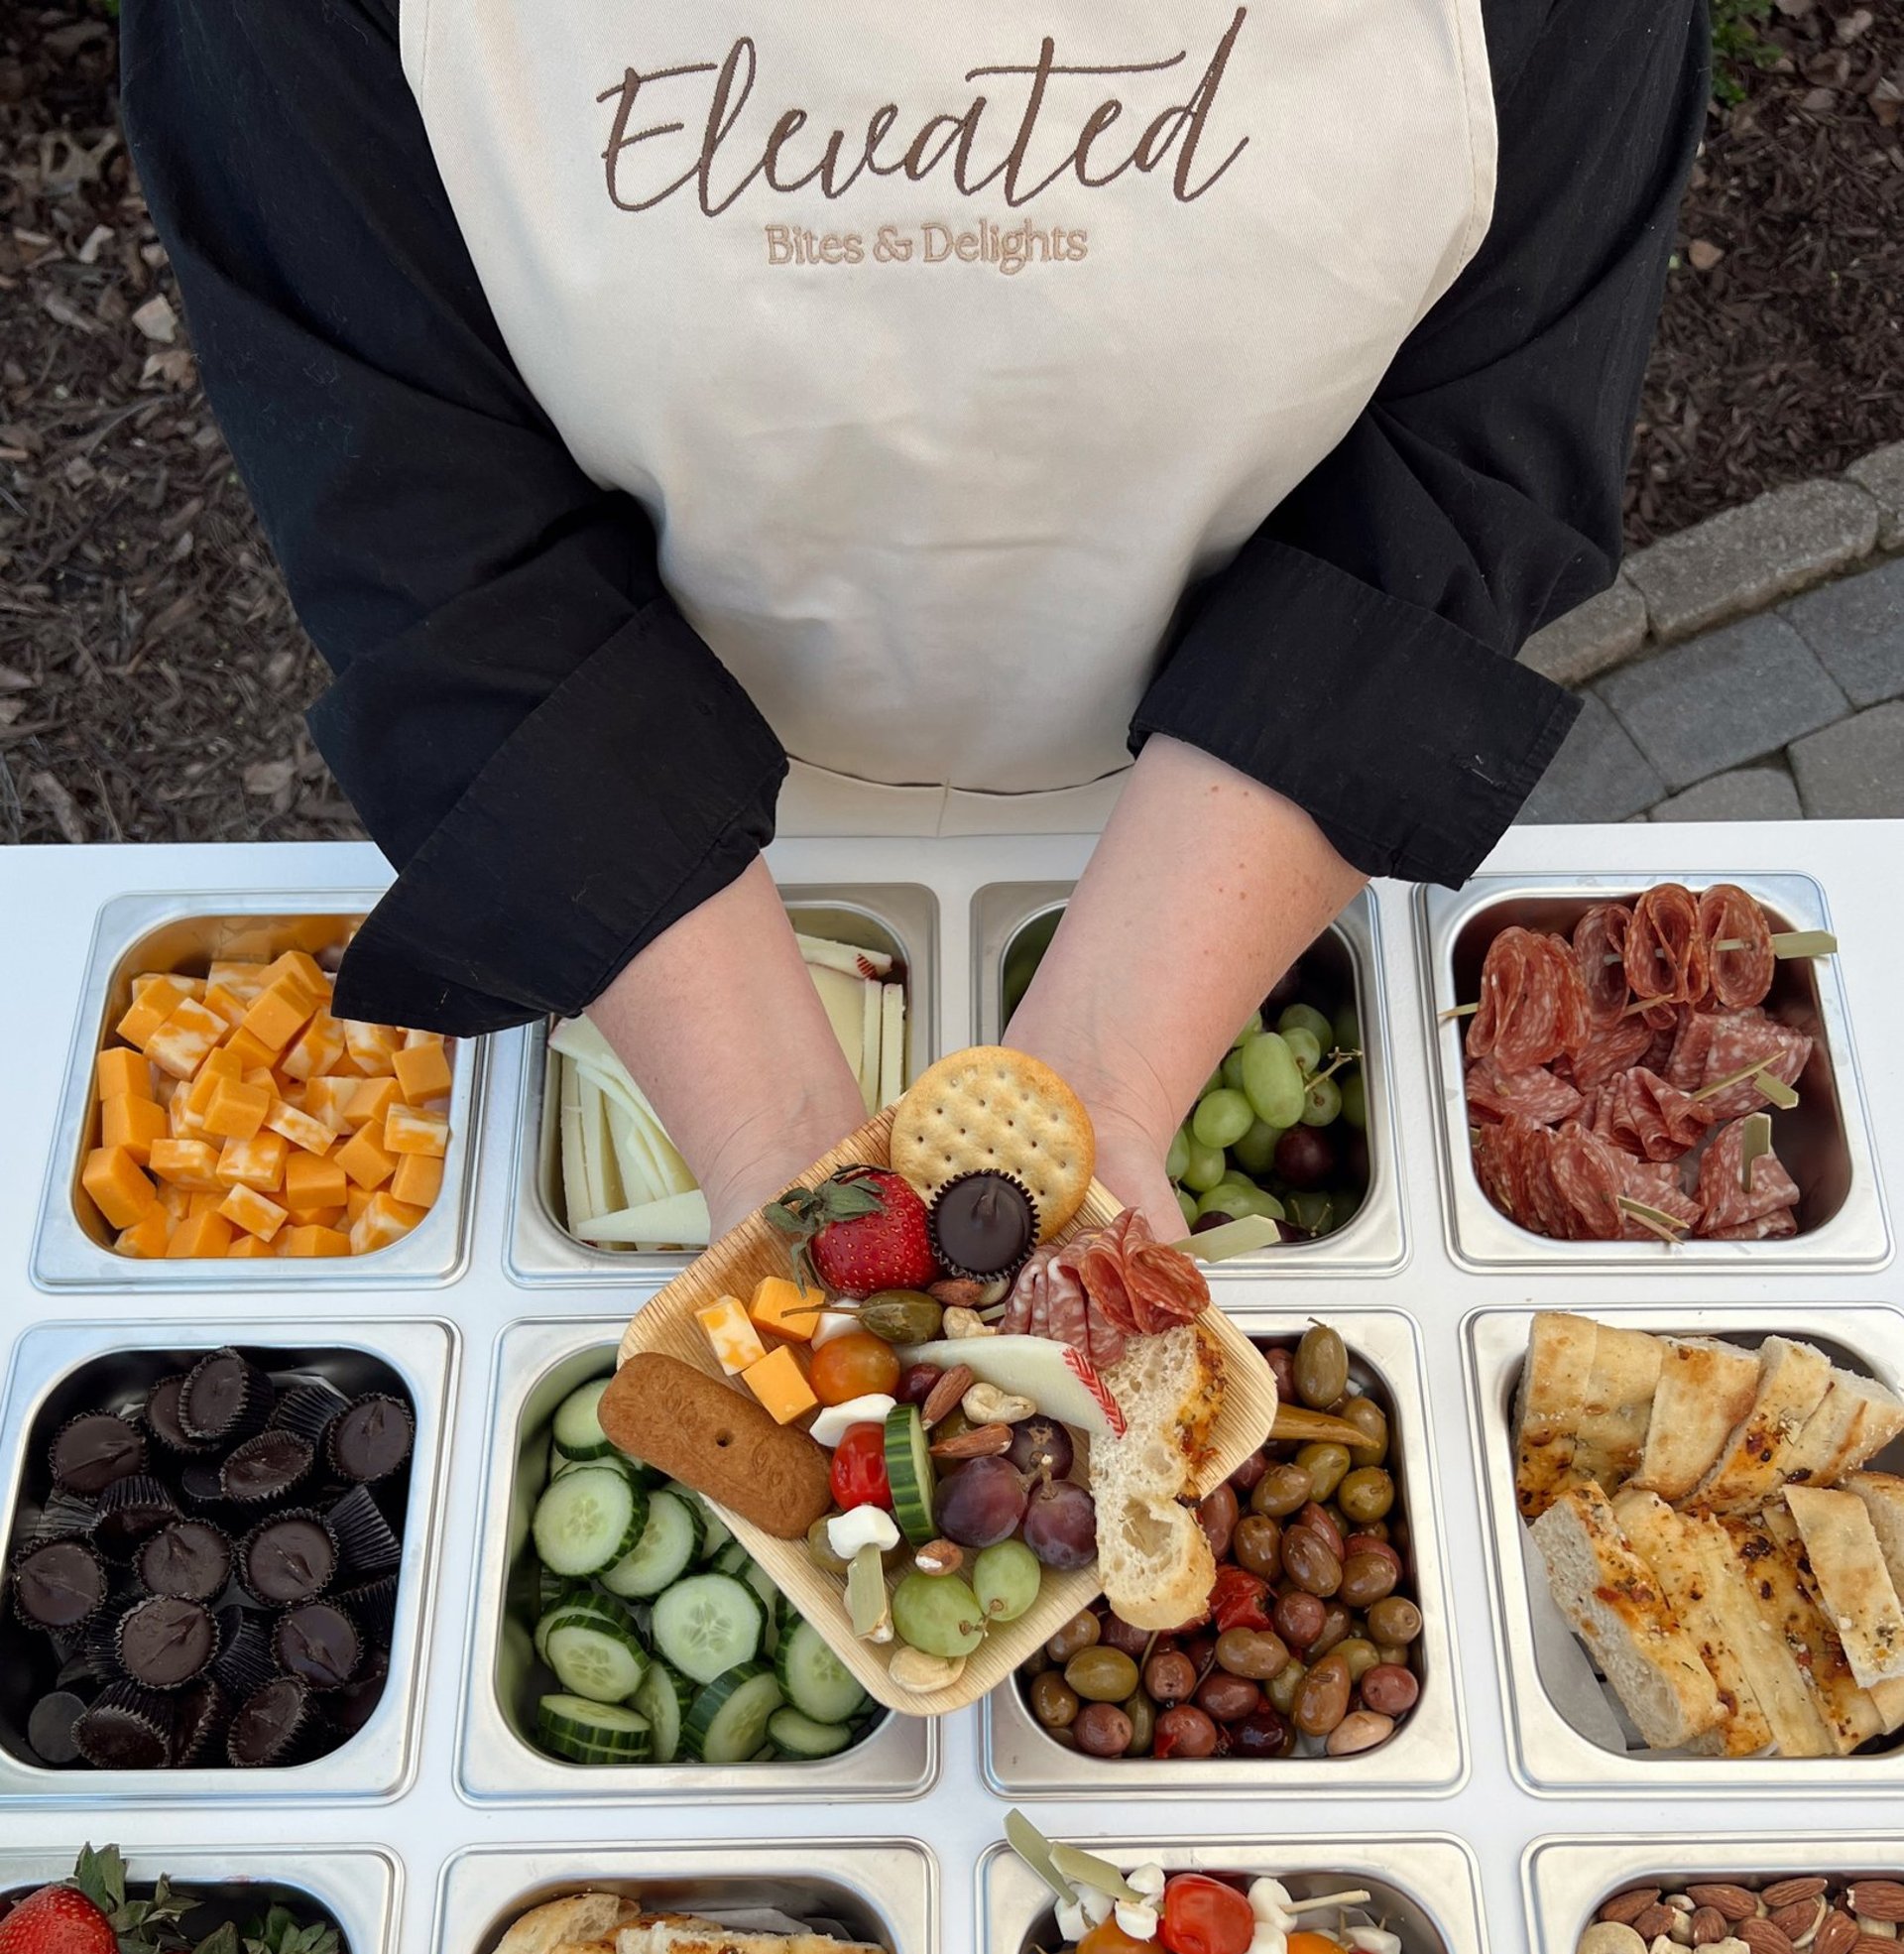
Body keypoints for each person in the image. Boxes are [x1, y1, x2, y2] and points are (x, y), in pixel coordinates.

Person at [123, 0, 1706, 1237]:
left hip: (1239, 834)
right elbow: (424, 513)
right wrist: (773, 1148)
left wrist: (1105, 1086)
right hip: (640, 853)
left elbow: (1460, 469)